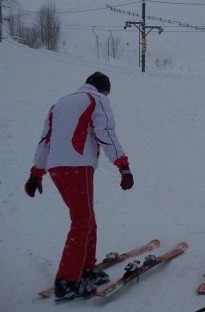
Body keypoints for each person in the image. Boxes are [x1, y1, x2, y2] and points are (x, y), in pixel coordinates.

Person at [24, 72, 134, 300]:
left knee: (85, 217)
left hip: (56, 167)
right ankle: (68, 281)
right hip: (77, 165)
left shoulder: (59, 104)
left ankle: (86, 269)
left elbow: (45, 140)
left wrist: (36, 174)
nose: (107, 96)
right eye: (107, 92)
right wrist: (123, 166)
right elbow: (106, 133)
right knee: (82, 221)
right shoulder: (97, 99)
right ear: (102, 89)